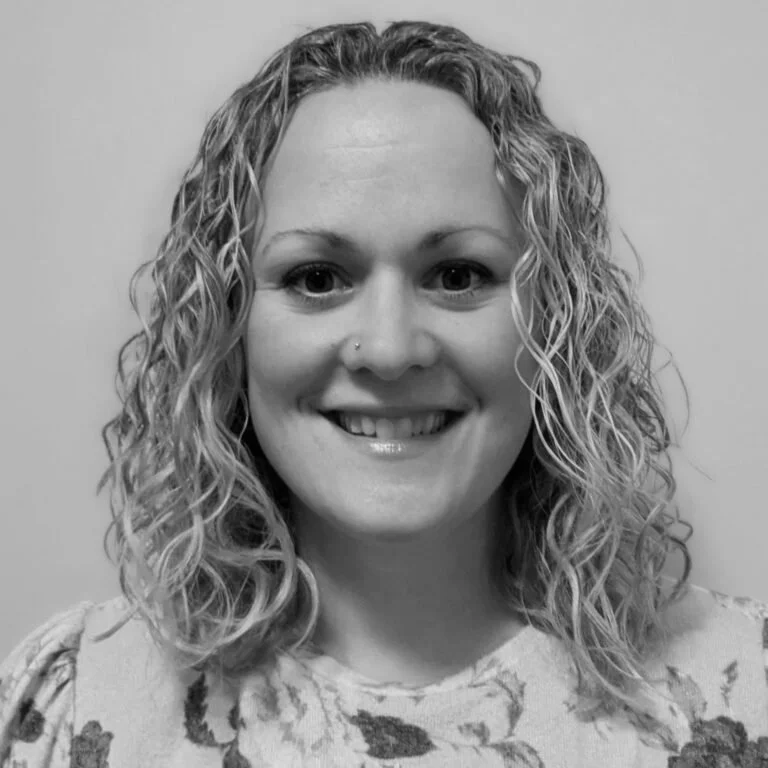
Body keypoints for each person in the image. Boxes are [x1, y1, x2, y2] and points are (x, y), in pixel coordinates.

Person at [1, 19, 766, 768]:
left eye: (459, 275)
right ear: (226, 328)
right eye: (317, 279)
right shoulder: (78, 710)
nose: (392, 349)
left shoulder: (745, 690)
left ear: (555, 323)